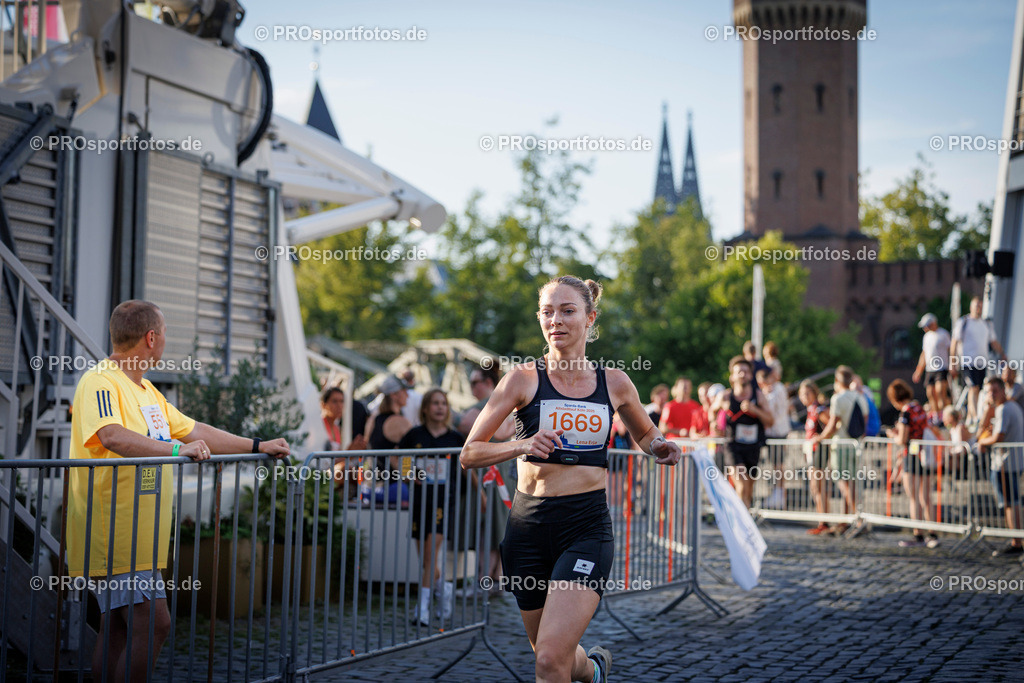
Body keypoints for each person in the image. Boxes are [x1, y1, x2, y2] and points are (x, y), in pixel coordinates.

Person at [461, 275, 680, 683]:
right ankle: (594, 670)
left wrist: (659, 447)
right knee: (554, 657)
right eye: (547, 312)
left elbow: (645, 434)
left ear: (590, 318)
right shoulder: (522, 379)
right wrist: (521, 446)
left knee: (547, 661)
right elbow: (470, 453)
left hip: (585, 527)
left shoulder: (614, 382)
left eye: (567, 311)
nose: (555, 320)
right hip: (527, 529)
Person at [67, 300, 290, 683]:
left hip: (138, 536)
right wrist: (175, 449)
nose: (166, 341)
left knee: (119, 629)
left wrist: (257, 445)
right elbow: (112, 435)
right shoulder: (100, 380)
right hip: (113, 532)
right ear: (151, 338)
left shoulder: (147, 389)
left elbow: (195, 431)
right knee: (155, 623)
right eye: (165, 334)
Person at [399, 388, 466, 625]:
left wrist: (481, 495)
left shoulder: (455, 438)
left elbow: (468, 469)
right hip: (420, 501)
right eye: (435, 403)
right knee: (426, 561)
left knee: (429, 556)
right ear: (426, 408)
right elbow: (403, 465)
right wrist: (410, 475)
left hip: (443, 503)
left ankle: (423, 609)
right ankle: (444, 590)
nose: (440, 407)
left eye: (444, 403)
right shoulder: (413, 435)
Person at [458, 362, 515, 591]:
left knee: (490, 528)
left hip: (493, 474)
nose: (472, 388)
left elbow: (465, 423)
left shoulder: (489, 403)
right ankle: (496, 578)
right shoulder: (509, 402)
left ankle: (485, 581)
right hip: (503, 473)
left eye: (475, 383)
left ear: (488, 383)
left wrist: (451, 419)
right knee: (499, 527)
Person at [711, 357, 774, 508]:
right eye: (739, 372)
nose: (742, 375)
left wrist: (755, 410)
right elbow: (711, 411)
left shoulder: (758, 396)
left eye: (746, 372)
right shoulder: (725, 396)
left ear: (751, 375)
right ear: (732, 376)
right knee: (741, 482)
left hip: (753, 446)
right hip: (733, 445)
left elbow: (770, 421)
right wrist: (714, 424)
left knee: (748, 488)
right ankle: (741, 525)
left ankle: (744, 519)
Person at [810, 366, 866, 534]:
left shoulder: (838, 398)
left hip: (841, 444)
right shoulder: (860, 397)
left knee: (843, 483)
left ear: (837, 381)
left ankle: (857, 518)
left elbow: (833, 425)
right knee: (852, 483)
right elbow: (864, 422)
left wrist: (820, 438)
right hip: (855, 445)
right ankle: (846, 519)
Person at [885, 379, 940, 549]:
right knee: (926, 497)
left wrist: (892, 435)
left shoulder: (905, 413)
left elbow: (902, 440)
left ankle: (918, 534)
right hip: (925, 453)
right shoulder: (918, 407)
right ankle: (933, 533)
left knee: (914, 497)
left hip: (912, 455)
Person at [976, 377, 1024, 557]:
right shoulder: (1008, 407)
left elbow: (998, 437)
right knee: (1012, 503)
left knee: (1011, 504)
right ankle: (1016, 539)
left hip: (1006, 463)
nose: (991, 395)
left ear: (1003, 390)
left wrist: (982, 442)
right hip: (1011, 461)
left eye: (995, 391)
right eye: (989, 391)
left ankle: (1016, 542)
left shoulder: (1005, 409)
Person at [950, 297, 1006, 423]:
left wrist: (1002, 353)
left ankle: (970, 417)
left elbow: (993, 341)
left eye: (980, 306)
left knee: (979, 389)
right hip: (968, 362)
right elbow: (954, 342)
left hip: (982, 362)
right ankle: (975, 417)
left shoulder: (986, 324)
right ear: (971, 307)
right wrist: (953, 363)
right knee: (973, 388)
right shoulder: (964, 322)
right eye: (976, 306)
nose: (978, 308)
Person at [365, 375, 413, 504]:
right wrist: (408, 475)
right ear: (394, 395)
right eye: (404, 391)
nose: (408, 395)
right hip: (393, 489)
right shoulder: (402, 423)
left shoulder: (372, 420)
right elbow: (405, 457)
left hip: (369, 488)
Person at [799, 380, 831, 535]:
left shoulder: (819, 409)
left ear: (814, 393)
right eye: (802, 394)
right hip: (811, 451)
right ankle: (821, 521)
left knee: (818, 486)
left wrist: (822, 436)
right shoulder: (810, 410)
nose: (804, 397)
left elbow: (832, 425)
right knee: (814, 487)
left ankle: (824, 521)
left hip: (820, 451)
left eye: (807, 393)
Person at [758, 368, 791, 509]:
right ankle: (777, 492)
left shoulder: (776, 390)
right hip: (775, 431)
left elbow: (771, 413)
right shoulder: (777, 389)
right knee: (775, 463)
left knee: (778, 464)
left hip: (777, 431)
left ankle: (780, 494)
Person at [912, 313, 951, 417]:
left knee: (940, 391)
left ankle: (945, 414)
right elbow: (924, 354)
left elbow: (950, 351)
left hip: (942, 367)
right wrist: (919, 370)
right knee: (930, 393)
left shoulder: (943, 334)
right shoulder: (926, 337)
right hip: (930, 368)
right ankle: (936, 415)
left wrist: (953, 365)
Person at [321, 386, 368, 451]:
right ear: (323, 405)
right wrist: (350, 451)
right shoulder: (319, 426)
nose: (339, 406)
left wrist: (352, 451)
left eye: (342, 401)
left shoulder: (337, 428)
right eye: (334, 401)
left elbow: (337, 459)